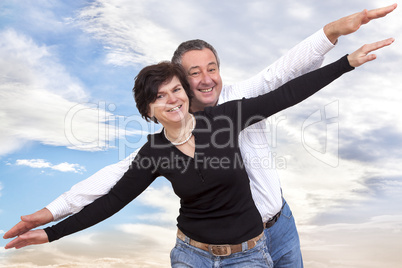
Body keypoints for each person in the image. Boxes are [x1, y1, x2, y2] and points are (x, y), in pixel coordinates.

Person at [3, 4, 397, 267]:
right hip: (196, 251)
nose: (205, 79)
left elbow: (284, 85)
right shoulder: (155, 150)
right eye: (192, 74)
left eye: (212, 67)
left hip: (273, 231)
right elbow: (114, 192)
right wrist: (52, 221)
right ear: (154, 105)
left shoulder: (232, 109)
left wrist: (337, 44)